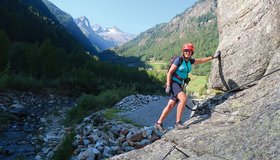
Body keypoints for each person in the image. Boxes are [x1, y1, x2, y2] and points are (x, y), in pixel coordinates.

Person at [154, 43, 221, 132]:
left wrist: (213, 57)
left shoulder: (189, 61)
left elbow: (201, 60)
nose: (188, 52)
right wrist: (169, 85)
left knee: (171, 105)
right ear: (183, 51)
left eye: (189, 51)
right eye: (186, 51)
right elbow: (170, 72)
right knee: (183, 98)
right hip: (174, 83)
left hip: (179, 84)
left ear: (192, 52)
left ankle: (158, 123)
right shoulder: (179, 60)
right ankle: (178, 123)